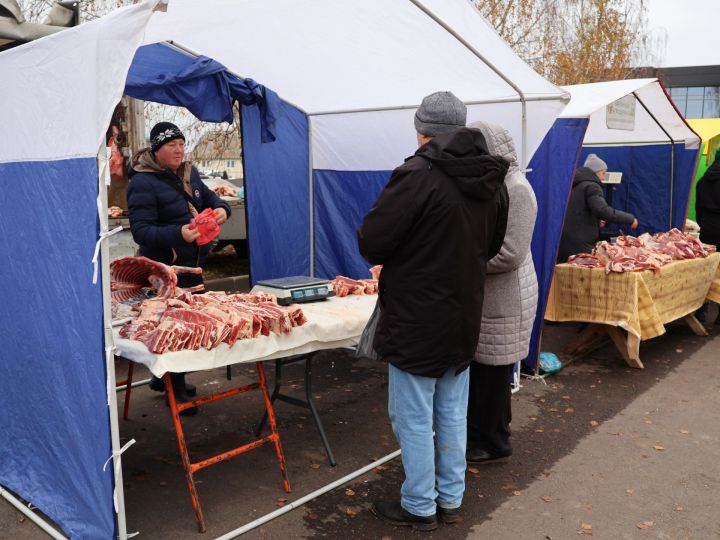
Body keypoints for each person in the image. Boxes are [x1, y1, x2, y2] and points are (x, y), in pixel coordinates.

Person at [358, 91, 509, 531]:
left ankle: (421, 505)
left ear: (422, 130)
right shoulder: (491, 177)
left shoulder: (417, 174)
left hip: (416, 317)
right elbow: (492, 246)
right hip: (463, 313)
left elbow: (373, 240)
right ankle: (450, 496)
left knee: (414, 415)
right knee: (450, 410)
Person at [127, 121, 231, 415]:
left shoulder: (189, 172)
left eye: (181, 144)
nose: (178, 149)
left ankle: (164, 380)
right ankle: (177, 391)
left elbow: (210, 198)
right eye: (171, 145)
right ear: (156, 149)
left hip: (192, 266)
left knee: (188, 322)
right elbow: (141, 231)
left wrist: (222, 208)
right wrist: (178, 234)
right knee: (176, 329)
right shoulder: (142, 182)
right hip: (162, 270)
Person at [465, 121, 539, 465]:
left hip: (507, 297)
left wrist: (460, 263)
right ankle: (485, 433)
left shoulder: (518, 189)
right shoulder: (499, 185)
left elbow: (510, 253)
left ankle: (495, 442)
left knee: (493, 374)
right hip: (495, 295)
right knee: (485, 372)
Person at [557, 154, 638, 263]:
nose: (604, 177)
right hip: (581, 243)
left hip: (565, 241)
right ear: (596, 172)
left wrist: (594, 220)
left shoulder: (574, 184)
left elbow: (578, 211)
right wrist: (630, 219)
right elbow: (603, 211)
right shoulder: (592, 186)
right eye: (603, 173)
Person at [694, 149, 720, 324]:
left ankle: (700, 311)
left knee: (707, 272)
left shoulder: (703, 181)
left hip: (708, 231)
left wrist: (705, 225)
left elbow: (698, 210)